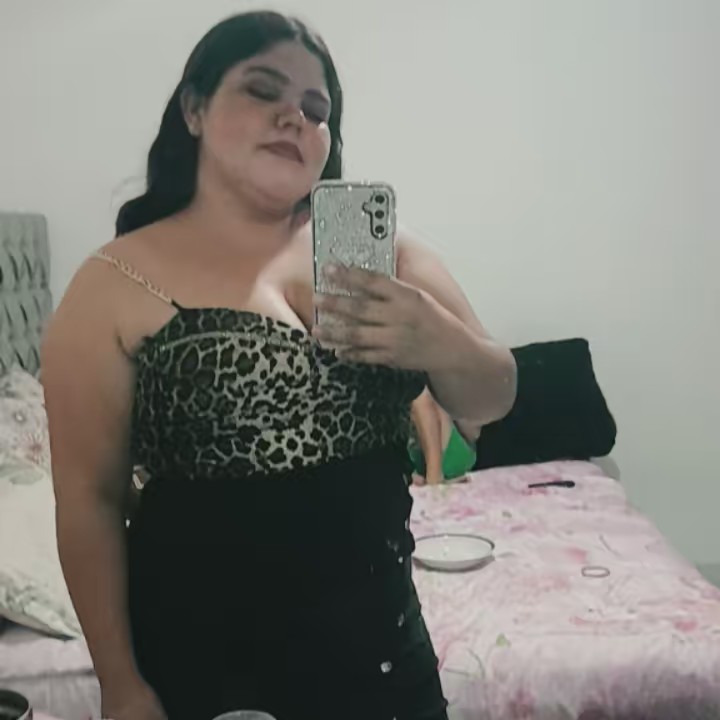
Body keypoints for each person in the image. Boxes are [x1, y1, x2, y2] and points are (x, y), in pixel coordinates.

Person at [41, 12, 516, 720]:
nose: (295, 116)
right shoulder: (112, 282)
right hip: (204, 663)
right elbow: (89, 501)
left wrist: (441, 341)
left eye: (317, 109)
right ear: (194, 109)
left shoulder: (390, 252)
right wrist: (120, 684)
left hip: (383, 651)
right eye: (263, 90)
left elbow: (493, 399)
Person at [409, 390, 477, 485]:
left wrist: (434, 477)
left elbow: (424, 404)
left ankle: (435, 475)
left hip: (447, 454)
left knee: (420, 398)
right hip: (422, 459)